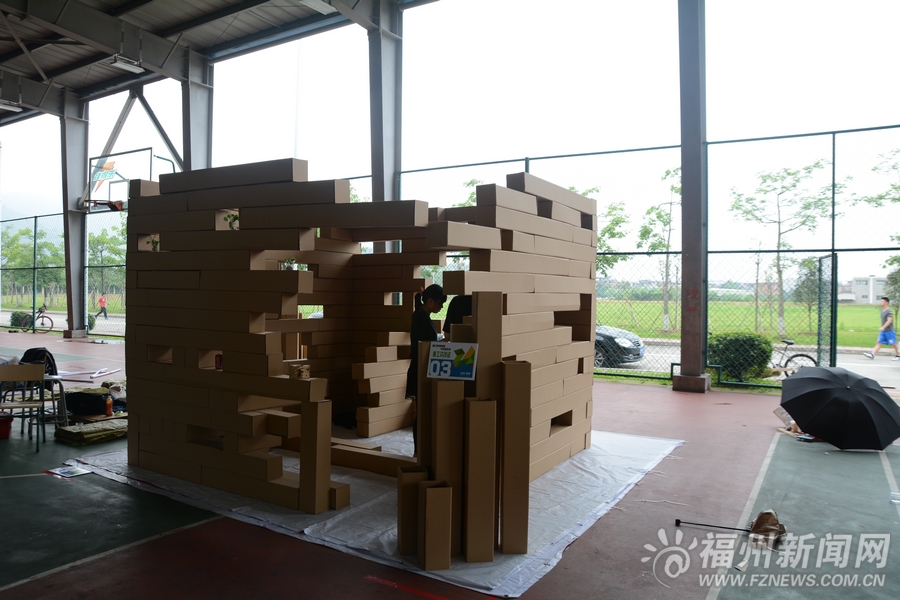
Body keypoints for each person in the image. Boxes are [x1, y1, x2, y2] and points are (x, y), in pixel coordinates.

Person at [406, 284, 446, 454]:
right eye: (439, 303)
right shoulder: (421, 318)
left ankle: (420, 450)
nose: (441, 307)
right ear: (430, 301)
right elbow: (428, 345)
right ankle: (418, 450)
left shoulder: (421, 315)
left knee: (423, 412)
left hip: (420, 368)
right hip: (420, 369)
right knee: (422, 413)